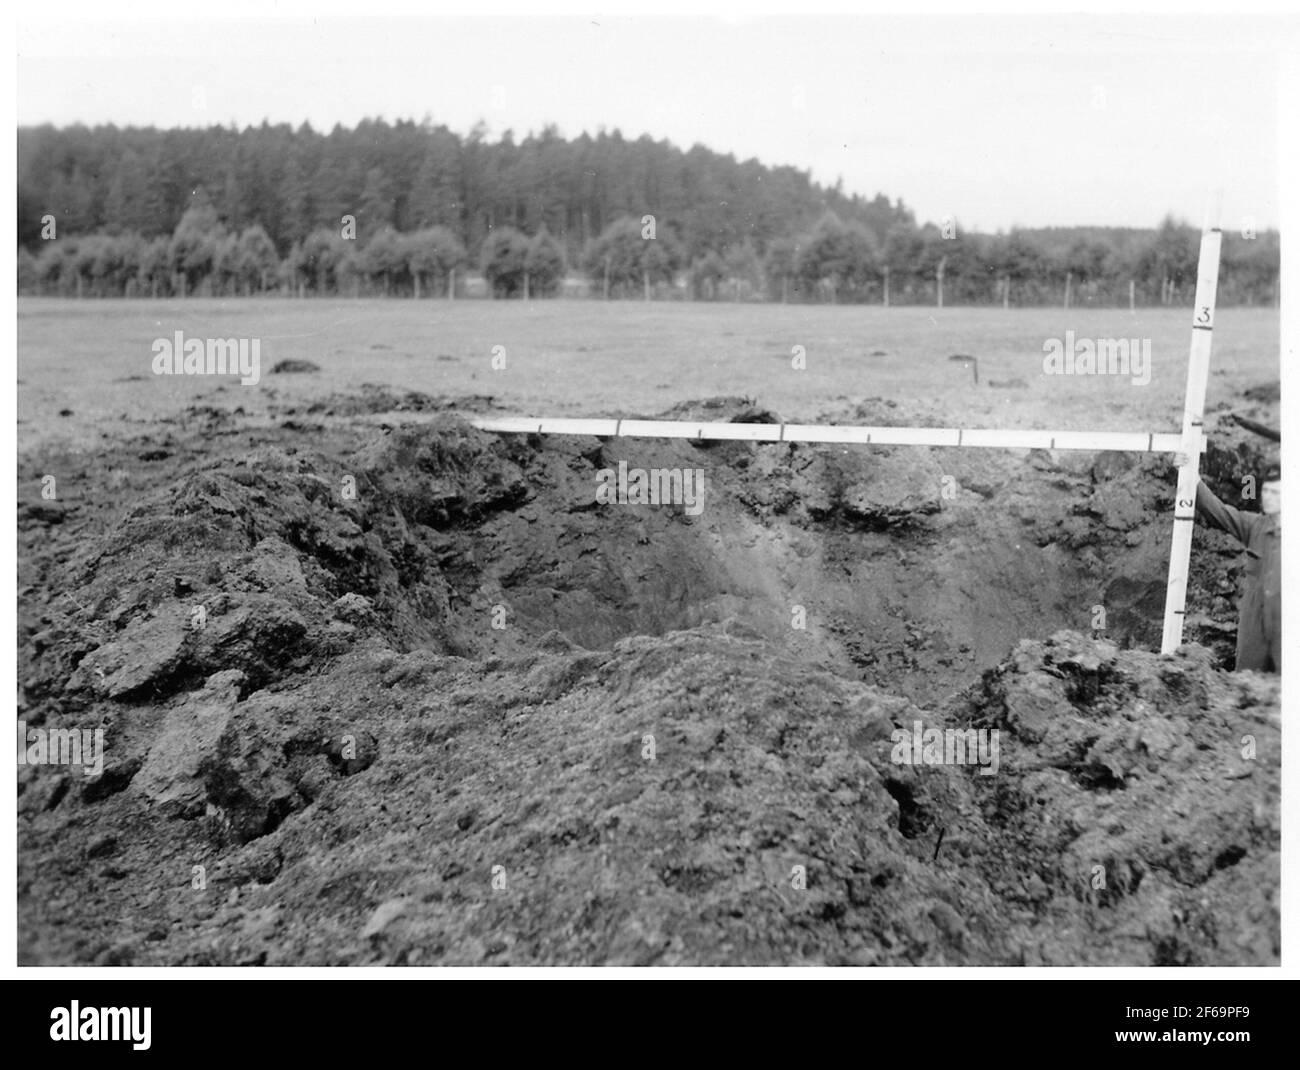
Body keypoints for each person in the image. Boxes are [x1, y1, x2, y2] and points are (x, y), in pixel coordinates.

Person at [1176, 456, 1280, 672]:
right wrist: (1191, 477)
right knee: (1246, 681)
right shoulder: (1255, 525)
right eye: (1266, 491)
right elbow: (1219, 513)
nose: (1268, 498)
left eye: (1276, 493)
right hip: (1254, 620)